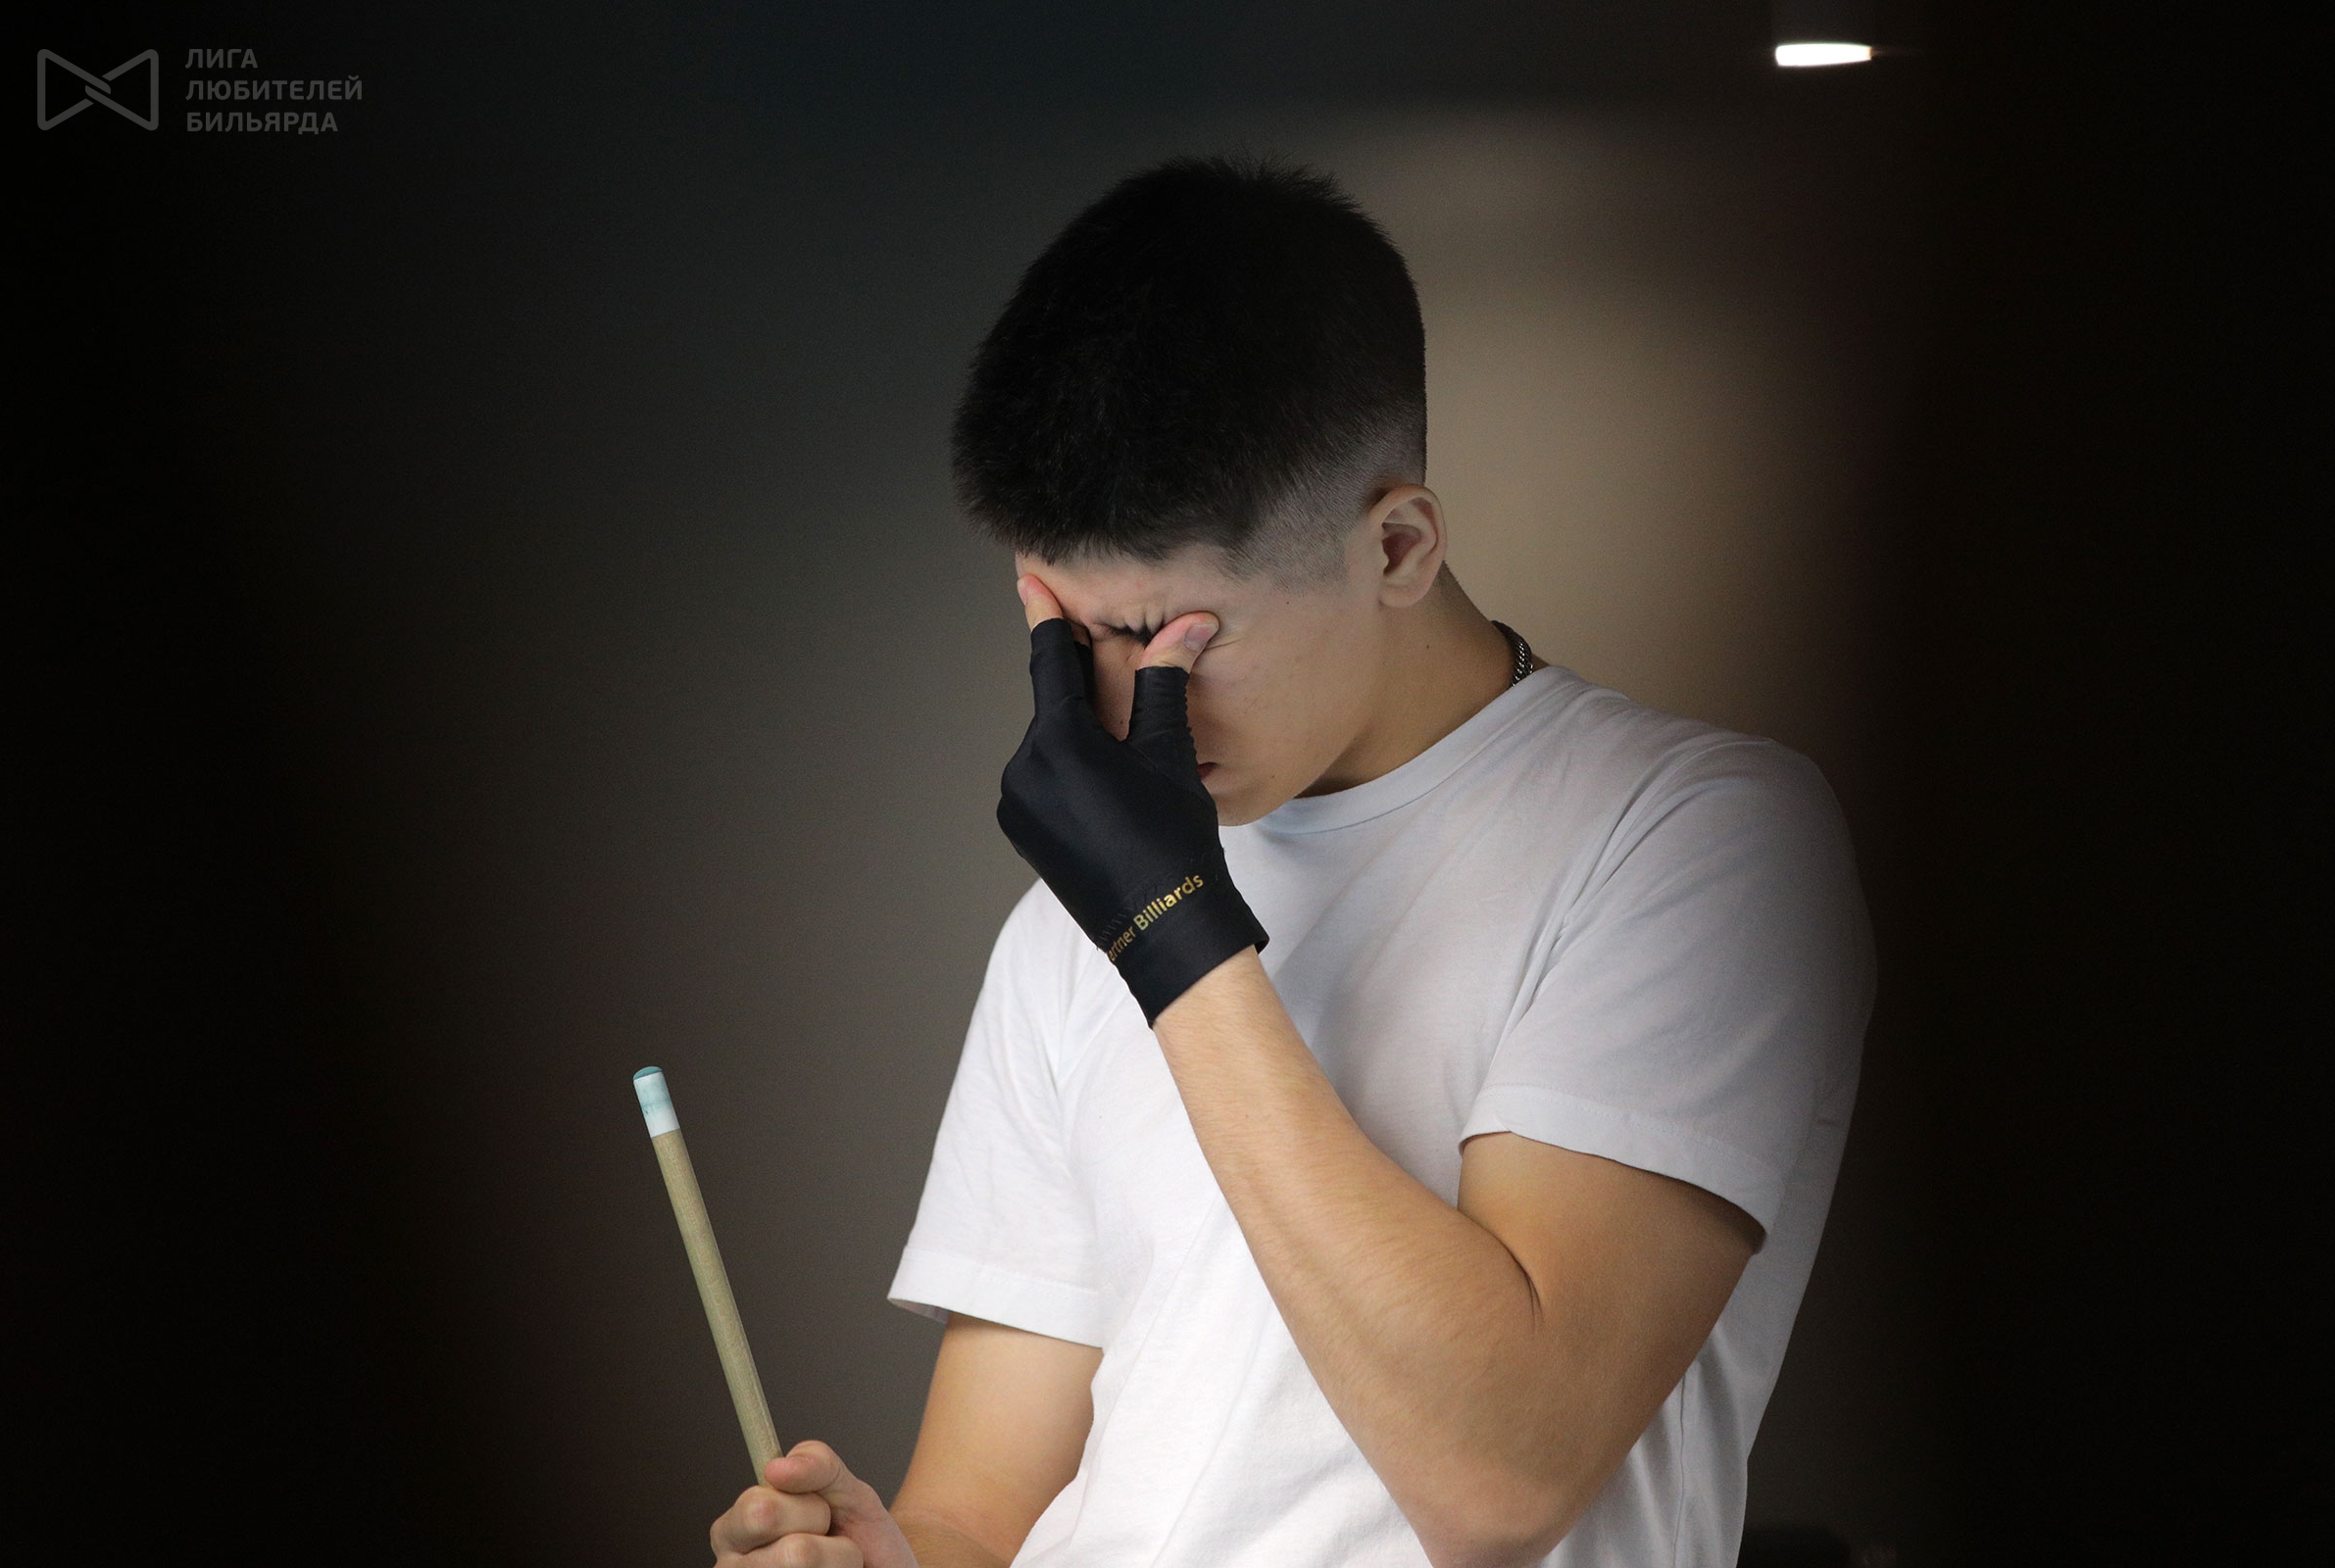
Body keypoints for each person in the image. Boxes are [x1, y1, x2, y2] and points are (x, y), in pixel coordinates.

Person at [709, 157, 1872, 1568]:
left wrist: (1171, 934)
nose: (1115, 714)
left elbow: (1502, 1480)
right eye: (1069, 639)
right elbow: (979, 1509)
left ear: (1398, 547)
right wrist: (881, 1557)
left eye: (1175, 639)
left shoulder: (1695, 839)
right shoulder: (1076, 918)